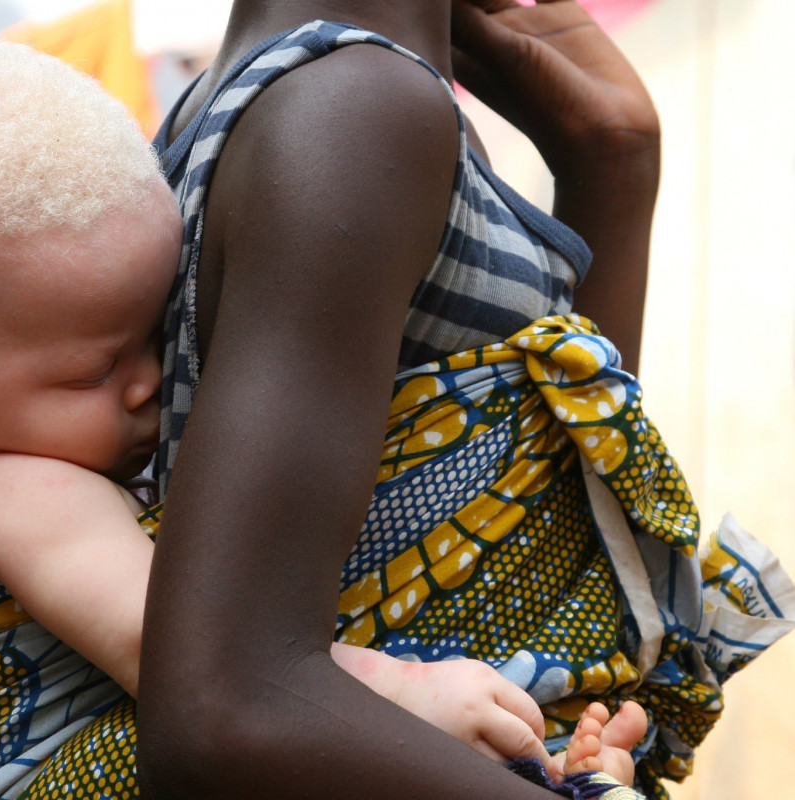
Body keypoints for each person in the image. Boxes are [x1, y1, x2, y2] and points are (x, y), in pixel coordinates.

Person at [0, 34, 649, 800]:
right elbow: (166, 652)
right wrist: (406, 697)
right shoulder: (12, 492)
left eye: (154, 332)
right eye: (95, 369)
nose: (147, 383)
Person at [134, 1, 792, 799]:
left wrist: (609, 164)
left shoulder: (256, 98)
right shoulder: (358, 107)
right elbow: (226, 704)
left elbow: (545, 527)